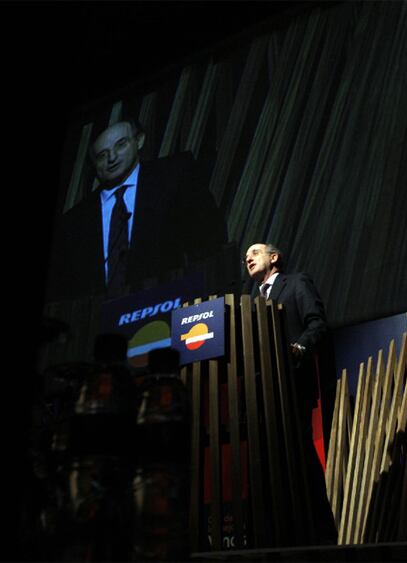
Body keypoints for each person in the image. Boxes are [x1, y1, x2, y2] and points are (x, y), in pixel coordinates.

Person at [48, 117, 228, 300]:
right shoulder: (75, 221)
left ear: (139, 140)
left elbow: (211, 238)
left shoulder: (175, 176)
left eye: (120, 145)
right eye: (102, 155)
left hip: (174, 306)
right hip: (97, 321)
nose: (112, 158)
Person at [244, 242, 337, 545]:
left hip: (293, 384)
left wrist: (298, 349)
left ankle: (323, 537)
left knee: (300, 459)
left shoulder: (296, 283)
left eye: (254, 252)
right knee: (274, 469)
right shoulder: (251, 302)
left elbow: (317, 324)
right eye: (246, 256)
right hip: (263, 395)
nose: (248, 258)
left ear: (274, 258)